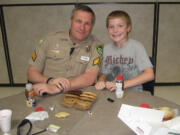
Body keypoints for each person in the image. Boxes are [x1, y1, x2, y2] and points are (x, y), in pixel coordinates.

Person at [27, 4, 103, 96]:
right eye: (78, 21)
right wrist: (49, 81)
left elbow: (90, 76)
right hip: (44, 92)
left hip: (76, 95)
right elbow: (31, 73)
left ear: (92, 26)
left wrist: (58, 87)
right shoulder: (49, 39)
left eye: (87, 23)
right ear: (71, 22)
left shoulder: (97, 46)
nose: (82, 28)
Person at [95, 10, 154, 91]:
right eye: (111, 27)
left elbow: (150, 74)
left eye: (120, 26)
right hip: (110, 92)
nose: (115, 30)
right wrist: (101, 80)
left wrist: (121, 85)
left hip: (133, 93)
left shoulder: (137, 47)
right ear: (107, 29)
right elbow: (104, 72)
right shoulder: (105, 49)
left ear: (128, 28)